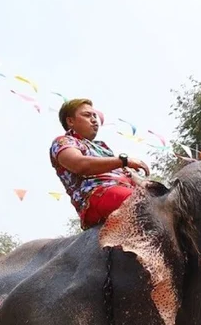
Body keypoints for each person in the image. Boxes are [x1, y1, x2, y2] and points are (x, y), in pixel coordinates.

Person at [50, 98, 151, 229]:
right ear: (70, 121)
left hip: (125, 191)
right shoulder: (63, 141)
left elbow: (127, 174)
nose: (94, 120)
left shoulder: (102, 147)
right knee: (147, 206)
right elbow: (80, 165)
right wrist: (124, 161)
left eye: (94, 115)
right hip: (97, 195)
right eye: (87, 115)